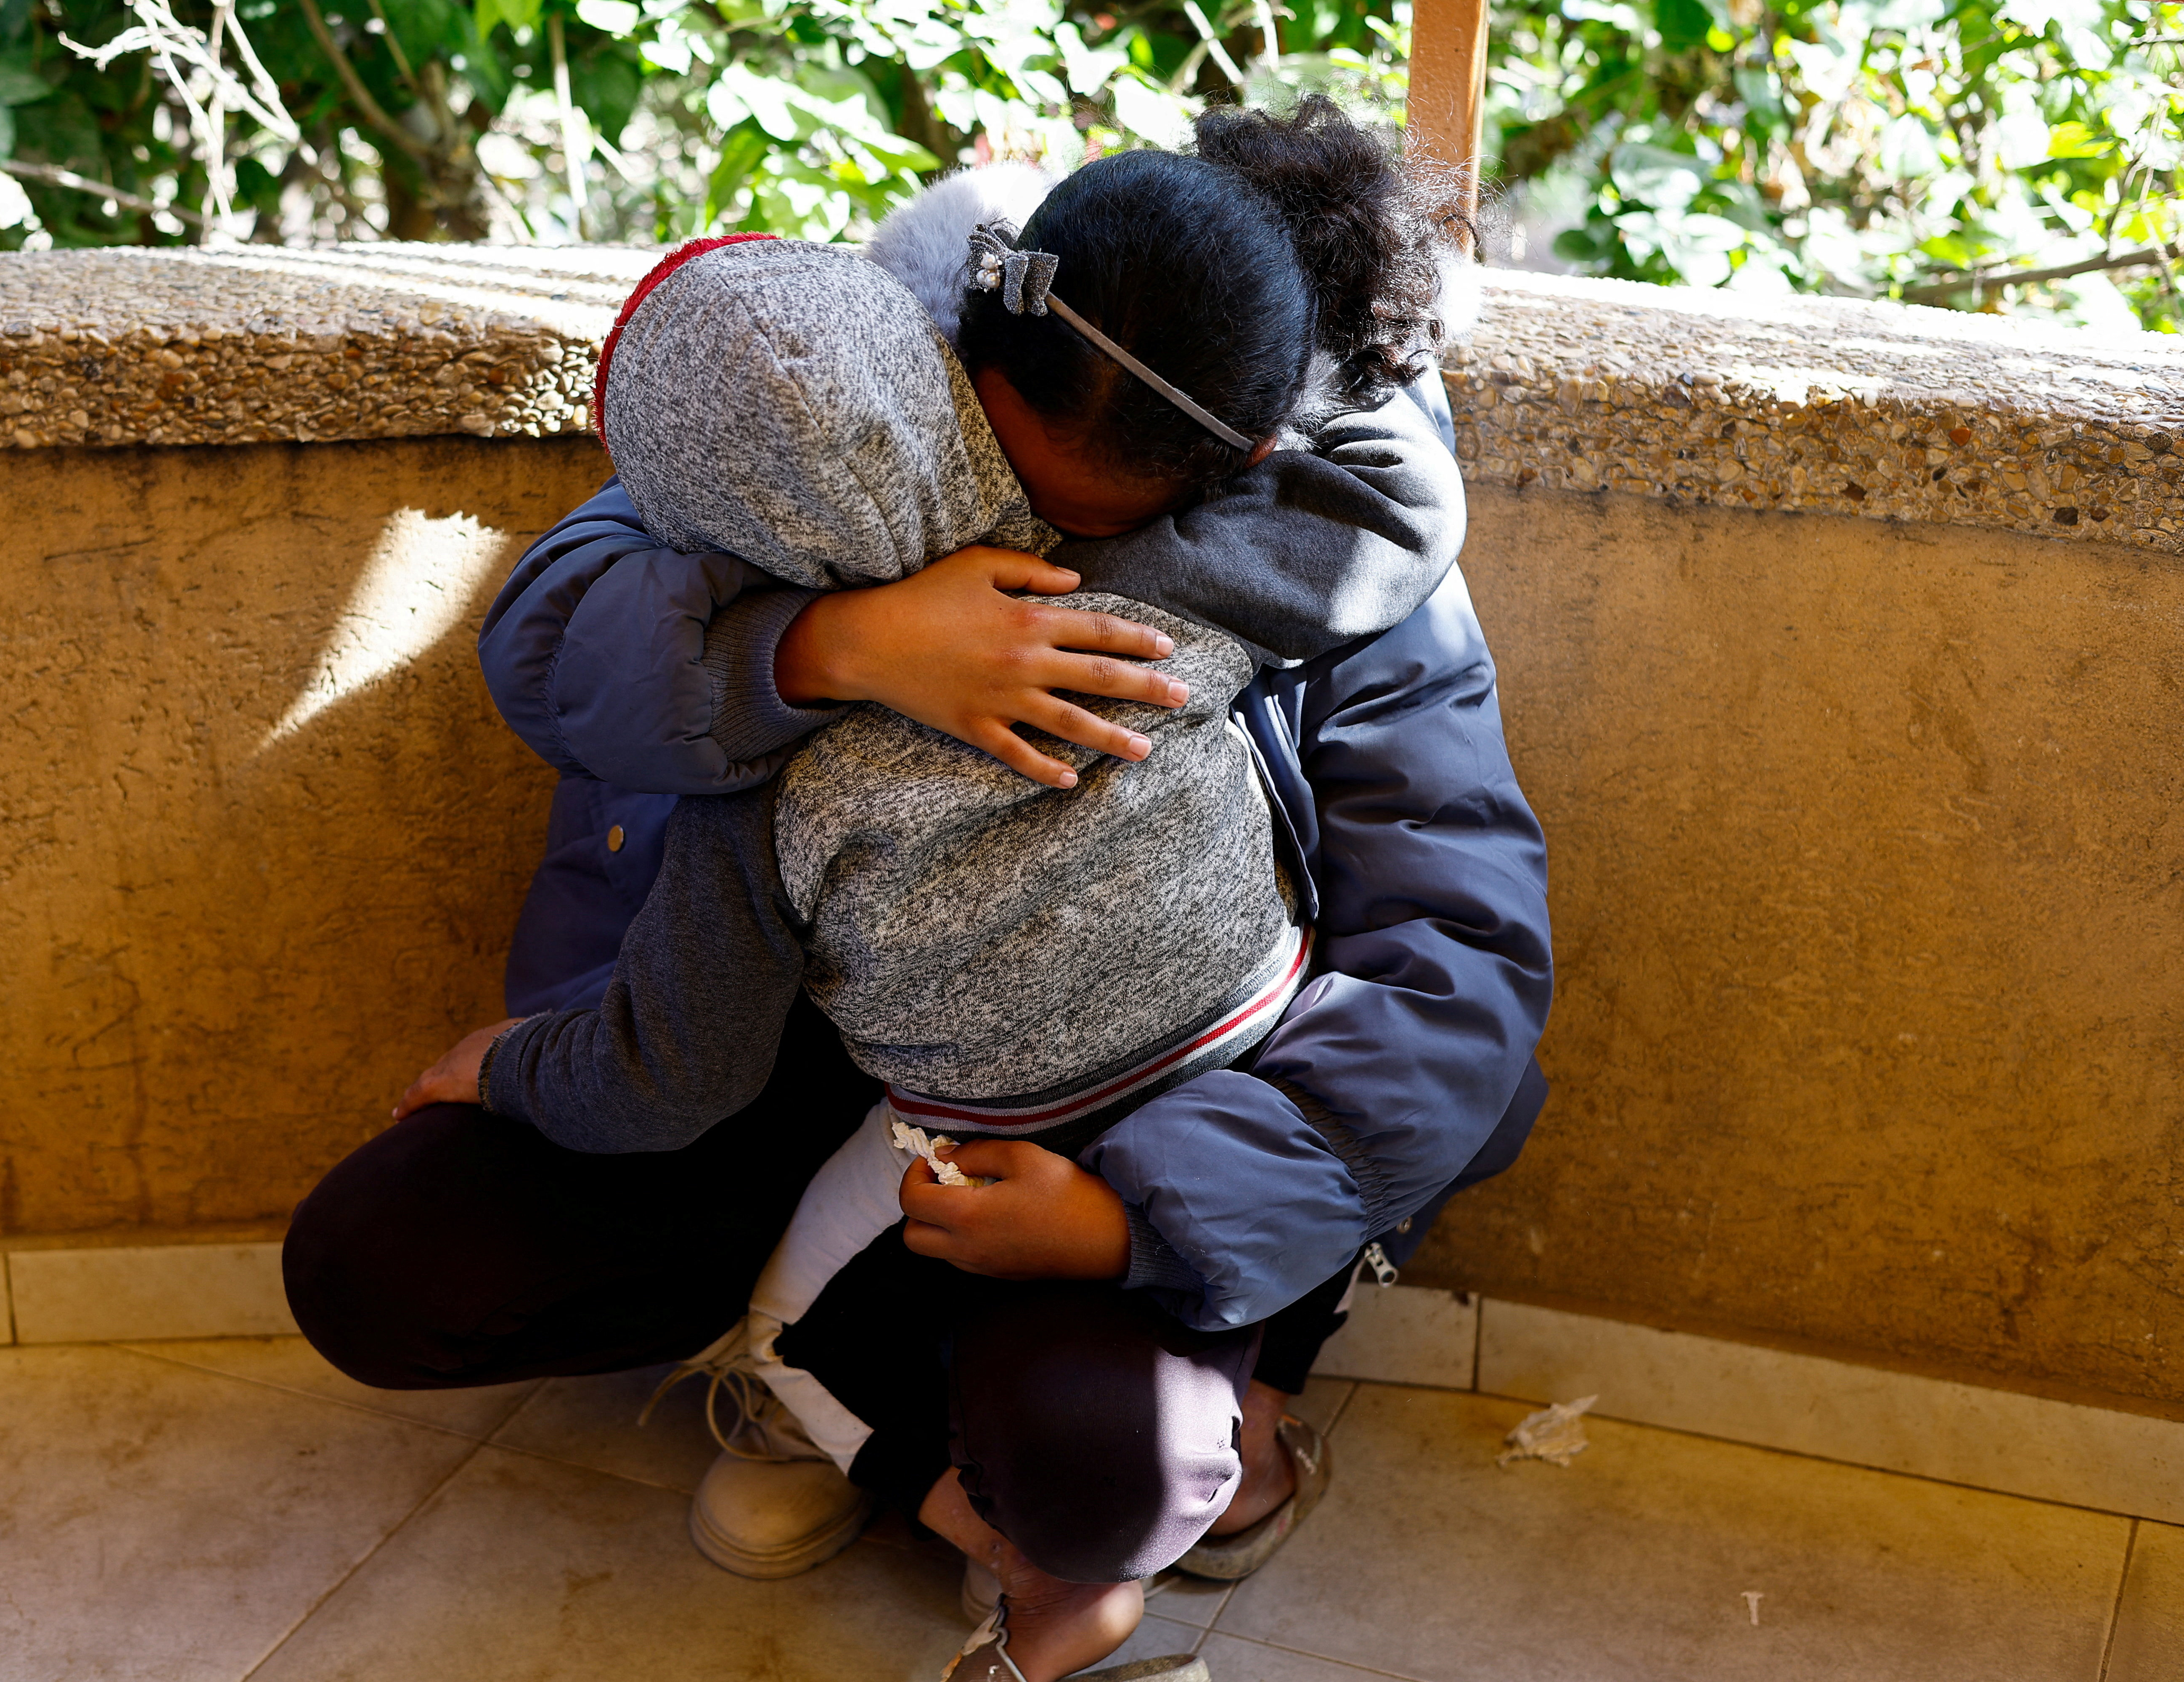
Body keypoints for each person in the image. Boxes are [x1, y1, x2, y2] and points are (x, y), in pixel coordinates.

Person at [286, 98, 1553, 1682]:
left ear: (1243, 462)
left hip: (1127, 1095)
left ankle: (1002, 1404)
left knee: (1106, 1464)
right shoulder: (848, 420)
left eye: (1096, 524)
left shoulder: (1330, 554)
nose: (1012, 526)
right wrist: (835, 647)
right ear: (958, 345)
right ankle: (847, 1391)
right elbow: (551, 632)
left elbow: (1459, 967)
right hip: (778, 1019)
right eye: (989, 458)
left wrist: (1136, 1221)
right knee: (385, 1264)